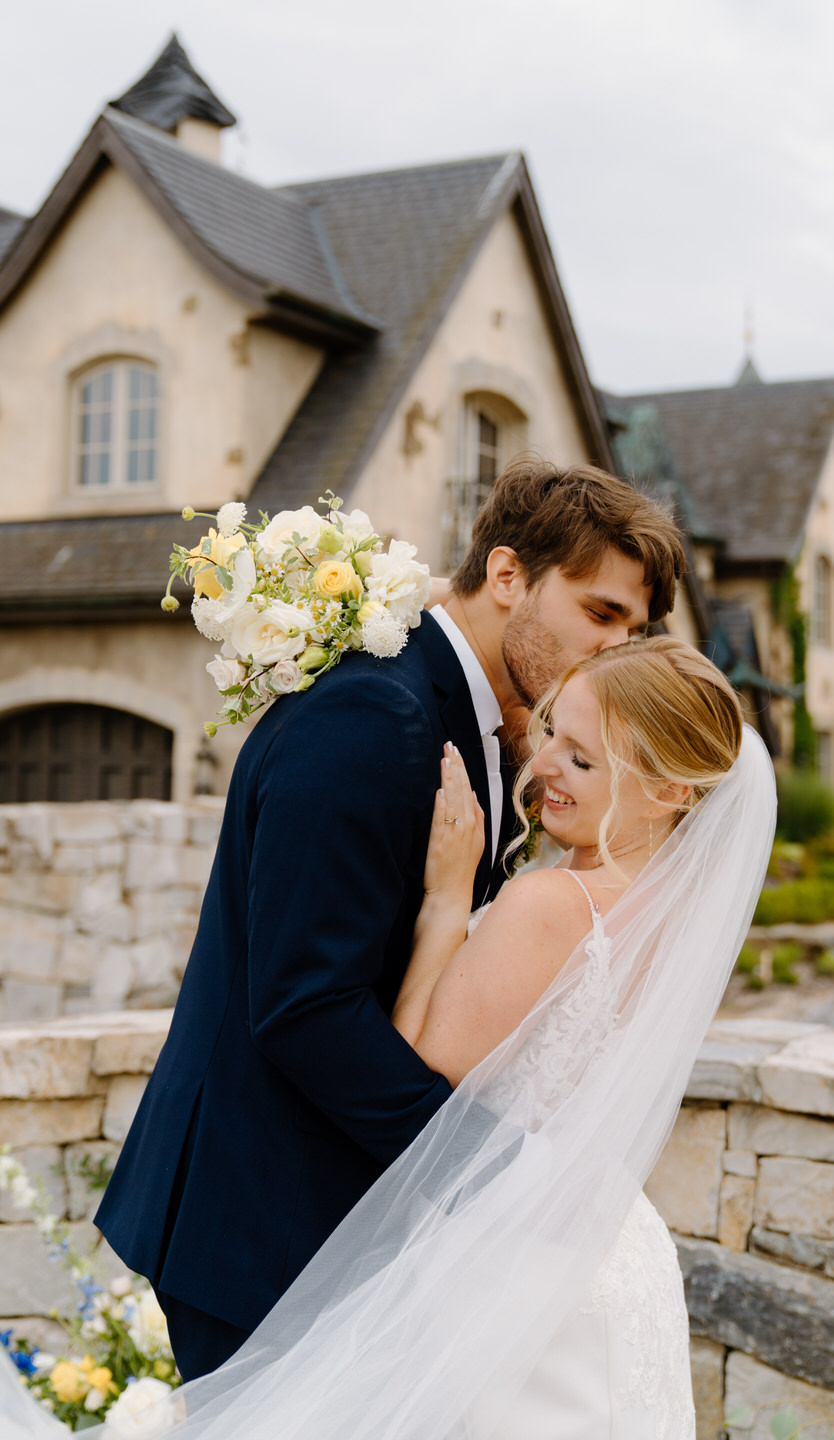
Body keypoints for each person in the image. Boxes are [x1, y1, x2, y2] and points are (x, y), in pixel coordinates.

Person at [0, 636, 775, 1440]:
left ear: (669, 792)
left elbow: (416, 1061)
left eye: (581, 760)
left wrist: (445, 899)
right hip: (612, 1255)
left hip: (509, 1259)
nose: (542, 765)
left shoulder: (553, 904)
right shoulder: (677, 917)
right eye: (550, 733)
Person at [92, 458, 685, 1382]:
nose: (614, 649)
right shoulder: (379, 712)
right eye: (600, 613)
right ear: (506, 576)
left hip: (342, 1222)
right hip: (265, 1223)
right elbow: (305, 1005)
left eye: (635, 629)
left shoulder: (487, 723)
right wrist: (489, 1173)